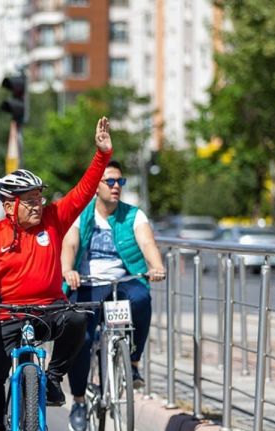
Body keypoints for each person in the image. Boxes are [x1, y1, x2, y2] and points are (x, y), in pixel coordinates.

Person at [0, 117, 114, 430]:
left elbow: (84, 192)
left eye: (39, 199)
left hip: (49, 309)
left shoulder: (53, 219)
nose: (37, 206)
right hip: (3, 315)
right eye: (29, 201)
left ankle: (54, 379)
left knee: (77, 319)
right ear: (8, 206)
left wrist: (102, 155)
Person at [61, 159, 166, 431]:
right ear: (96, 186)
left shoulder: (134, 215)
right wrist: (67, 269)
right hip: (86, 282)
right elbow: (70, 243)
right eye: (110, 181)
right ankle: (80, 401)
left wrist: (155, 266)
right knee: (81, 338)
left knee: (142, 299)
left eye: (120, 181)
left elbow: (147, 243)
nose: (116, 186)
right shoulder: (81, 213)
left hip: (122, 281)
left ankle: (132, 362)